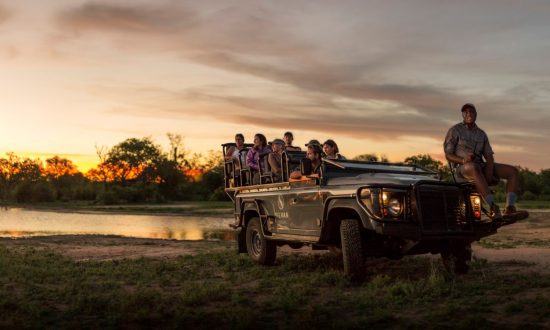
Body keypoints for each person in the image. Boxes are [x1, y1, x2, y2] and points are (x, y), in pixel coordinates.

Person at [444, 103, 528, 220]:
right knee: (473, 167)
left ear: (476, 114)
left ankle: (510, 208)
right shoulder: (455, 130)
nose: (469, 114)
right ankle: (493, 207)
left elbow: (489, 155)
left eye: (471, 112)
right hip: (462, 168)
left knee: (512, 171)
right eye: (466, 112)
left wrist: (489, 172)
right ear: (463, 115)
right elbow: (448, 155)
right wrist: (463, 160)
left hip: (479, 166)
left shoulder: (481, 134)